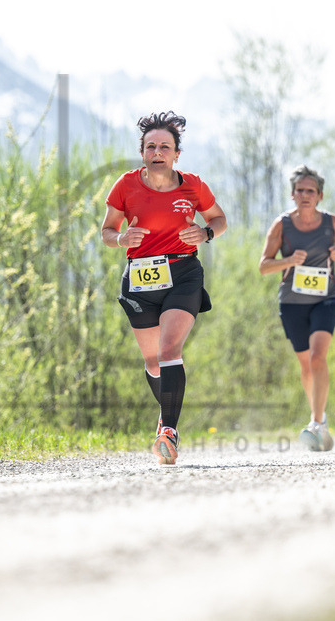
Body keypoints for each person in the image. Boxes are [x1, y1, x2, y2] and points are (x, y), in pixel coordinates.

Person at [100, 111, 227, 465]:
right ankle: (166, 416)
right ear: (142, 152)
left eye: (165, 147)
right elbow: (107, 231)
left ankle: (168, 431)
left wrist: (205, 232)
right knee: (153, 361)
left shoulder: (193, 185)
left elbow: (219, 219)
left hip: (183, 272)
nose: (158, 152)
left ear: (177, 154)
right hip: (141, 276)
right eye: (151, 146)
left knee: (170, 349)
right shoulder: (125, 185)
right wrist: (121, 238)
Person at [259, 165, 335, 451]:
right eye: (300, 190)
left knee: (317, 356)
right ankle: (320, 418)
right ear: (292, 194)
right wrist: (288, 261)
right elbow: (264, 266)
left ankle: (316, 422)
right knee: (306, 365)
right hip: (292, 302)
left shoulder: (332, 223)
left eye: (311, 191)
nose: (305, 195)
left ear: (320, 195)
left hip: (326, 297)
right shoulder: (281, 225)